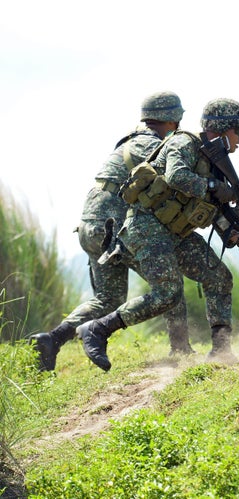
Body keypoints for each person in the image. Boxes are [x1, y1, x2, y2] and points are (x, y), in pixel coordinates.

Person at [77, 98, 239, 371]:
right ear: (222, 128)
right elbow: (177, 176)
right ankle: (98, 329)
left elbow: (213, 207)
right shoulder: (185, 143)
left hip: (172, 232)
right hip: (145, 226)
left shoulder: (215, 161)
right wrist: (214, 184)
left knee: (219, 277)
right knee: (167, 293)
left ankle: (221, 350)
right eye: (238, 131)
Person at [29, 91, 193, 371]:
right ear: (172, 119)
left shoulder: (128, 143)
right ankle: (181, 349)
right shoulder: (152, 145)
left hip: (91, 226)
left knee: (108, 298)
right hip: (115, 228)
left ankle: (51, 340)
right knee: (168, 285)